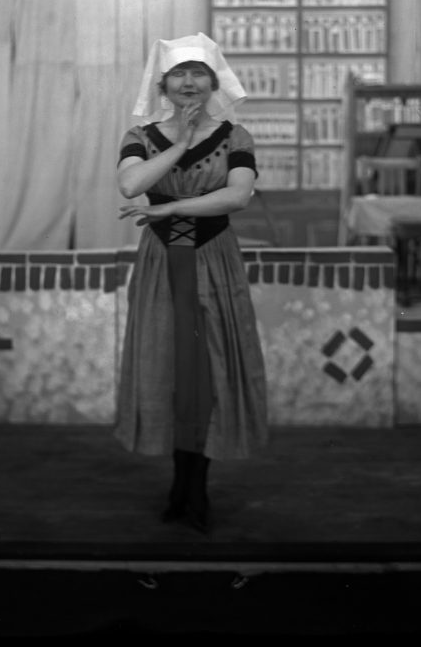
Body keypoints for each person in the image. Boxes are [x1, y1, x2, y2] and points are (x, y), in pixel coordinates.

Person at [114, 33, 268, 534]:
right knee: (169, 369)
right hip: (161, 266)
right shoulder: (140, 136)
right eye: (179, 74)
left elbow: (237, 196)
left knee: (211, 370)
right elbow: (131, 184)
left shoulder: (235, 136)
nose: (188, 82)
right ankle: (179, 484)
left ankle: (197, 487)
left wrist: (174, 205)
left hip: (213, 262)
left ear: (212, 81)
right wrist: (180, 141)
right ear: (163, 84)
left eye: (198, 72)